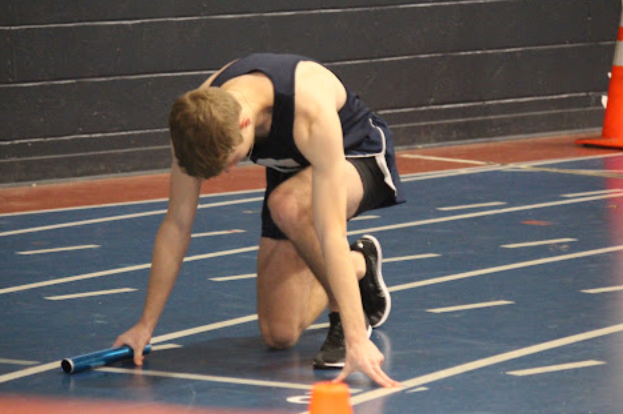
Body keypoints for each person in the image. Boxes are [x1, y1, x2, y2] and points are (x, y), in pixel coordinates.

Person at [114, 53, 404, 388]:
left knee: (288, 205)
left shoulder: (309, 110)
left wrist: (355, 336)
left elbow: (329, 231)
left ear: (243, 122)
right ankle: (359, 265)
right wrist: (145, 326)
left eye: (232, 160)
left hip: (355, 154)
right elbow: (176, 224)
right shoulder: (194, 123)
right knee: (278, 332)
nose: (228, 171)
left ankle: (345, 313)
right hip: (292, 172)